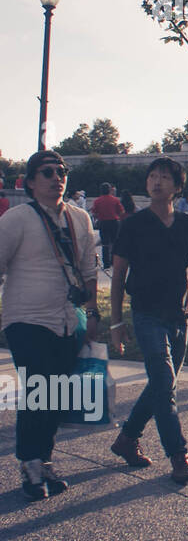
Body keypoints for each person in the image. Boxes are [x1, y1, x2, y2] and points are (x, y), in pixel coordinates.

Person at [108, 157, 188, 484]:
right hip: (146, 315)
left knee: (162, 384)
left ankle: (127, 438)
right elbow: (117, 276)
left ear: (177, 186)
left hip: (180, 315)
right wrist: (116, 323)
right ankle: (179, 456)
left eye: (164, 177)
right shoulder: (133, 225)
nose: (156, 182)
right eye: (152, 177)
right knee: (164, 384)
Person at [0, 151, 100, 500]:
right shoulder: (17, 219)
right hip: (27, 319)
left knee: (57, 395)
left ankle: (44, 461)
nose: (58, 178)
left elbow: (89, 271)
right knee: (39, 390)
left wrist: (94, 314)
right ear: (30, 182)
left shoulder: (80, 218)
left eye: (62, 171)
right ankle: (30, 463)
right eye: (47, 173)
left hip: (68, 320)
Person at [91, 182, 126, 270]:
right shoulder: (115, 200)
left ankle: (106, 264)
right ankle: (114, 262)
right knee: (115, 243)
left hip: (103, 223)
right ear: (110, 190)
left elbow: (94, 213)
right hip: (114, 222)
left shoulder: (97, 201)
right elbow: (122, 212)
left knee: (105, 244)